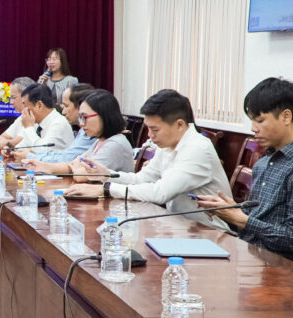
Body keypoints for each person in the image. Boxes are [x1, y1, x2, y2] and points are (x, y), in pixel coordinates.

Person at [196, 78, 293, 261]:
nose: (253, 128)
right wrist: (228, 211)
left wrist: (241, 219)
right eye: (252, 121)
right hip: (246, 254)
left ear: (286, 116)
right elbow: (254, 222)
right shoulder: (264, 162)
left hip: (276, 266)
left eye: (259, 120)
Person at [64, 89, 233, 229]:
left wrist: (106, 189)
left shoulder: (197, 149)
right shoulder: (168, 143)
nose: (150, 136)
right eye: (148, 129)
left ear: (179, 125)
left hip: (211, 233)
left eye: (155, 129)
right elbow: (142, 179)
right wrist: (107, 175)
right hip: (180, 227)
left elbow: (160, 192)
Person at [15, 89, 132, 174]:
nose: (82, 123)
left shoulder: (115, 144)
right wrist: (40, 165)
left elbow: (81, 175)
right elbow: (72, 163)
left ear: (104, 115)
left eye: (85, 117)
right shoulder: (99, 141)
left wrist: (75, 166)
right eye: (80, 117)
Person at [17, 82, 96, 165]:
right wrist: (17, 153)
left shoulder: (59, 123)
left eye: (66, 106)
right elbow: (63, 154)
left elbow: (67, 158)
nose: (63, 112)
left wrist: (29, 129)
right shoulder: (83, 131)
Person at [12, 82, 74, 152]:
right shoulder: (37, 124)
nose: (23, 111)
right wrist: (12, 152)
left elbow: (43, 152)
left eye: (25, 105)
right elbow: (21, 146)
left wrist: (29, 128)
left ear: (39, 105)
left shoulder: (58, 124)